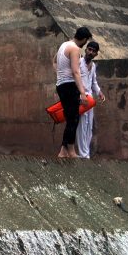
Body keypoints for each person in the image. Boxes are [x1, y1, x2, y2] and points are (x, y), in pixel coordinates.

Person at [53, 27, 92, 158]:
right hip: (69, 86)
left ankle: (63, 152)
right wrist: (82, 93)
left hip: (61, 85)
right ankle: (70, 150)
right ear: (84, 39)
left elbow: (54, 61)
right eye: (86, 41)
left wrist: (60, 75)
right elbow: (76, 72)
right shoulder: (75, 49)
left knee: (71, 118)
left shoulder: (64, 45)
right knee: (73, 119)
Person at [76, 41, 107, 159]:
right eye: (89, 49)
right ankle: (82, 153)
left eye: (93, 51)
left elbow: (94, 82)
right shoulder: (78, 63)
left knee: (89, 125)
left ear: (96, 54)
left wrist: (99, 92)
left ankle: (86, 153)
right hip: (81, 97)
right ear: (85, 50)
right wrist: (80, 94)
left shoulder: (93, 66)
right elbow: (74, 78)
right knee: (82, 124)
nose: (90, 52)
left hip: (90, 99)